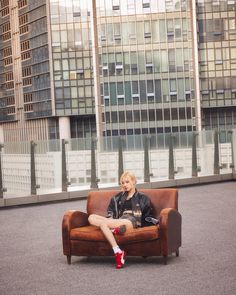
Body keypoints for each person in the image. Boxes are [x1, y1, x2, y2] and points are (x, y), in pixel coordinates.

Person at [88, 171, 155, 269]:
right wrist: (111, 221)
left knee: (103, 224)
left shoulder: (142, 198)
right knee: (91, 217)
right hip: (119, 220)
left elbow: (147, 214)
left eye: (127, 182)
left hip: (132, 221)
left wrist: (151, 223)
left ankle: (118, 251)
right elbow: (111, 212)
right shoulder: (117, 198)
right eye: (123, 183)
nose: (125, 185)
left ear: (133, 181)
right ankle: (114, 232)